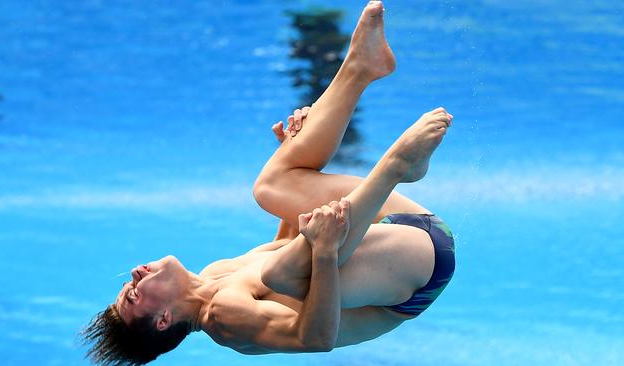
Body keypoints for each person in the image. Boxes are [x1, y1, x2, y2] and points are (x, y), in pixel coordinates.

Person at [82, 1, 456, 364]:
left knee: (273, 187)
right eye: (133, 295)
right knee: (282, 272)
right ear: (163, 319)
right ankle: (396, 166)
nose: (134, 275)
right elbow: (316, 339)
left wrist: (295, 155)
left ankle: (361, 68)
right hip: (417, 271)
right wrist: (324, 253)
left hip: (396, 232)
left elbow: (285, 243)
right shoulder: (224, 320)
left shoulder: (214, 275)